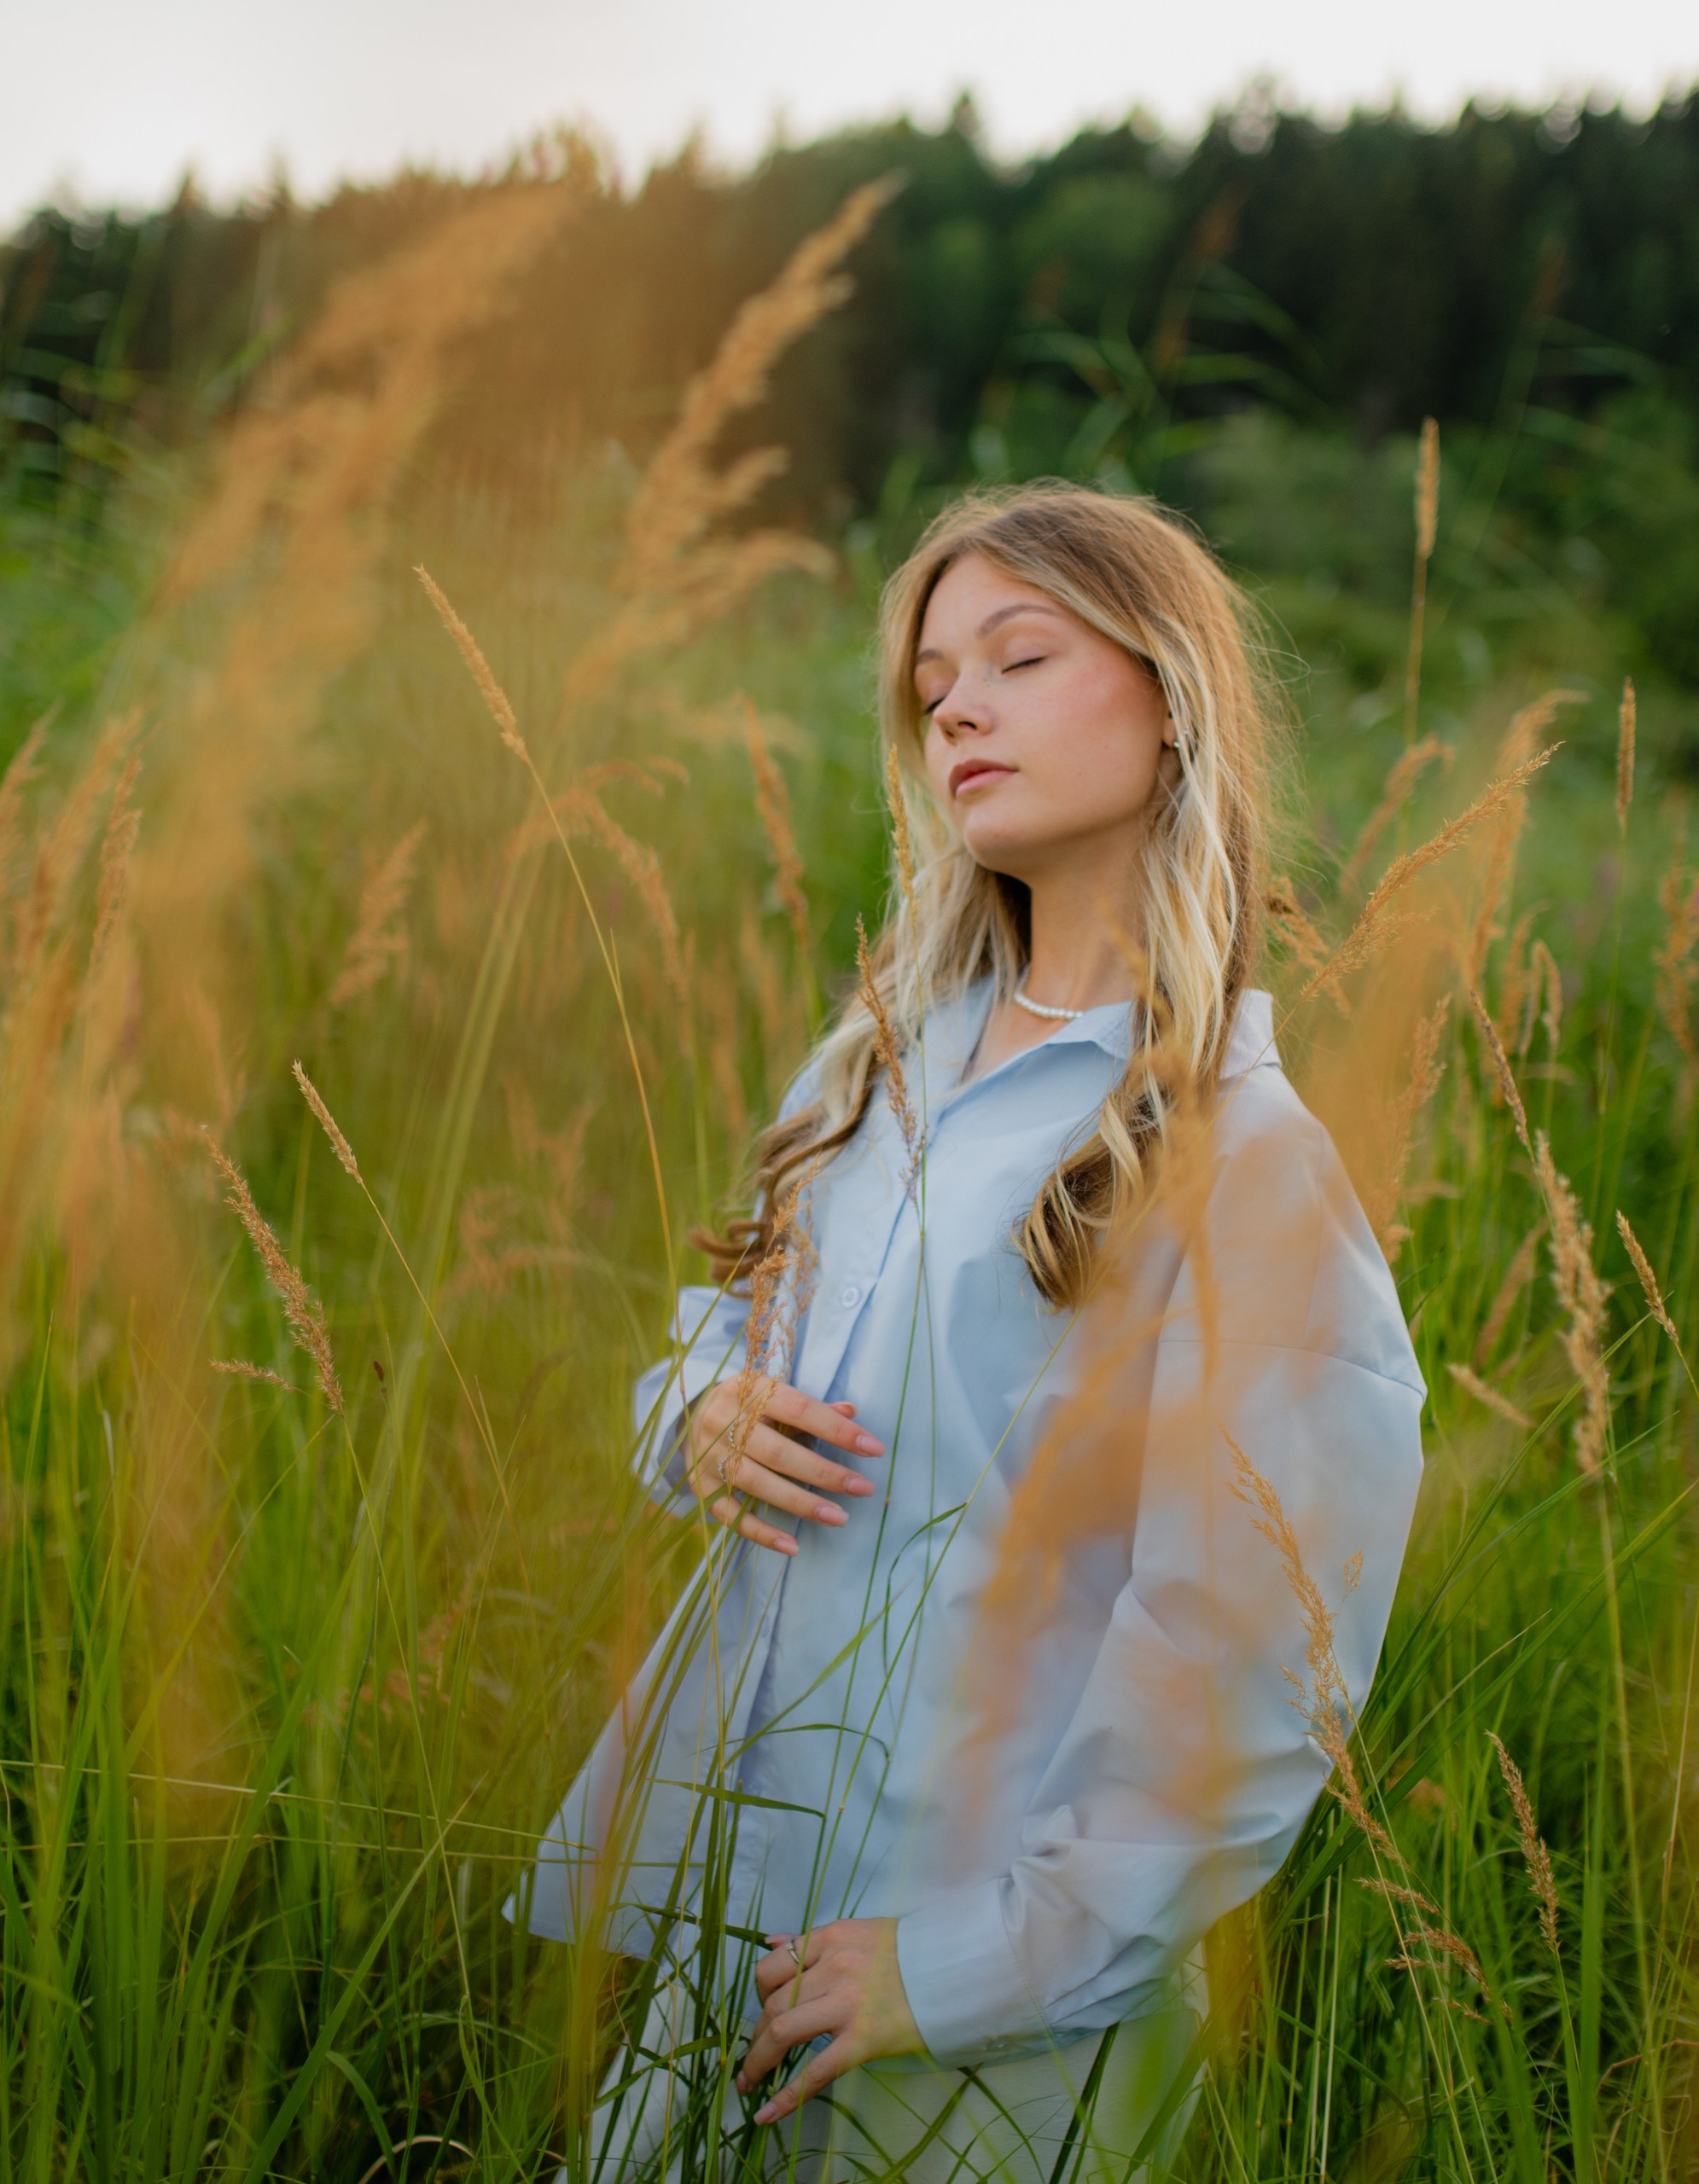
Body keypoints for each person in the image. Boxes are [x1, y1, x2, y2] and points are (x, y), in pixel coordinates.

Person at [524, 483, 1426, 2182]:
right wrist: (698, 1412)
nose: (953, 709)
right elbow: (719, 1340)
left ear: (1172, 701)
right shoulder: (878, 1063)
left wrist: (965, 1968)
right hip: (741, 1914)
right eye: (932, 681)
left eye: (1019, 657)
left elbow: (1250, 1653)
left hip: (983, 1994)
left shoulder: (1239, 1155)